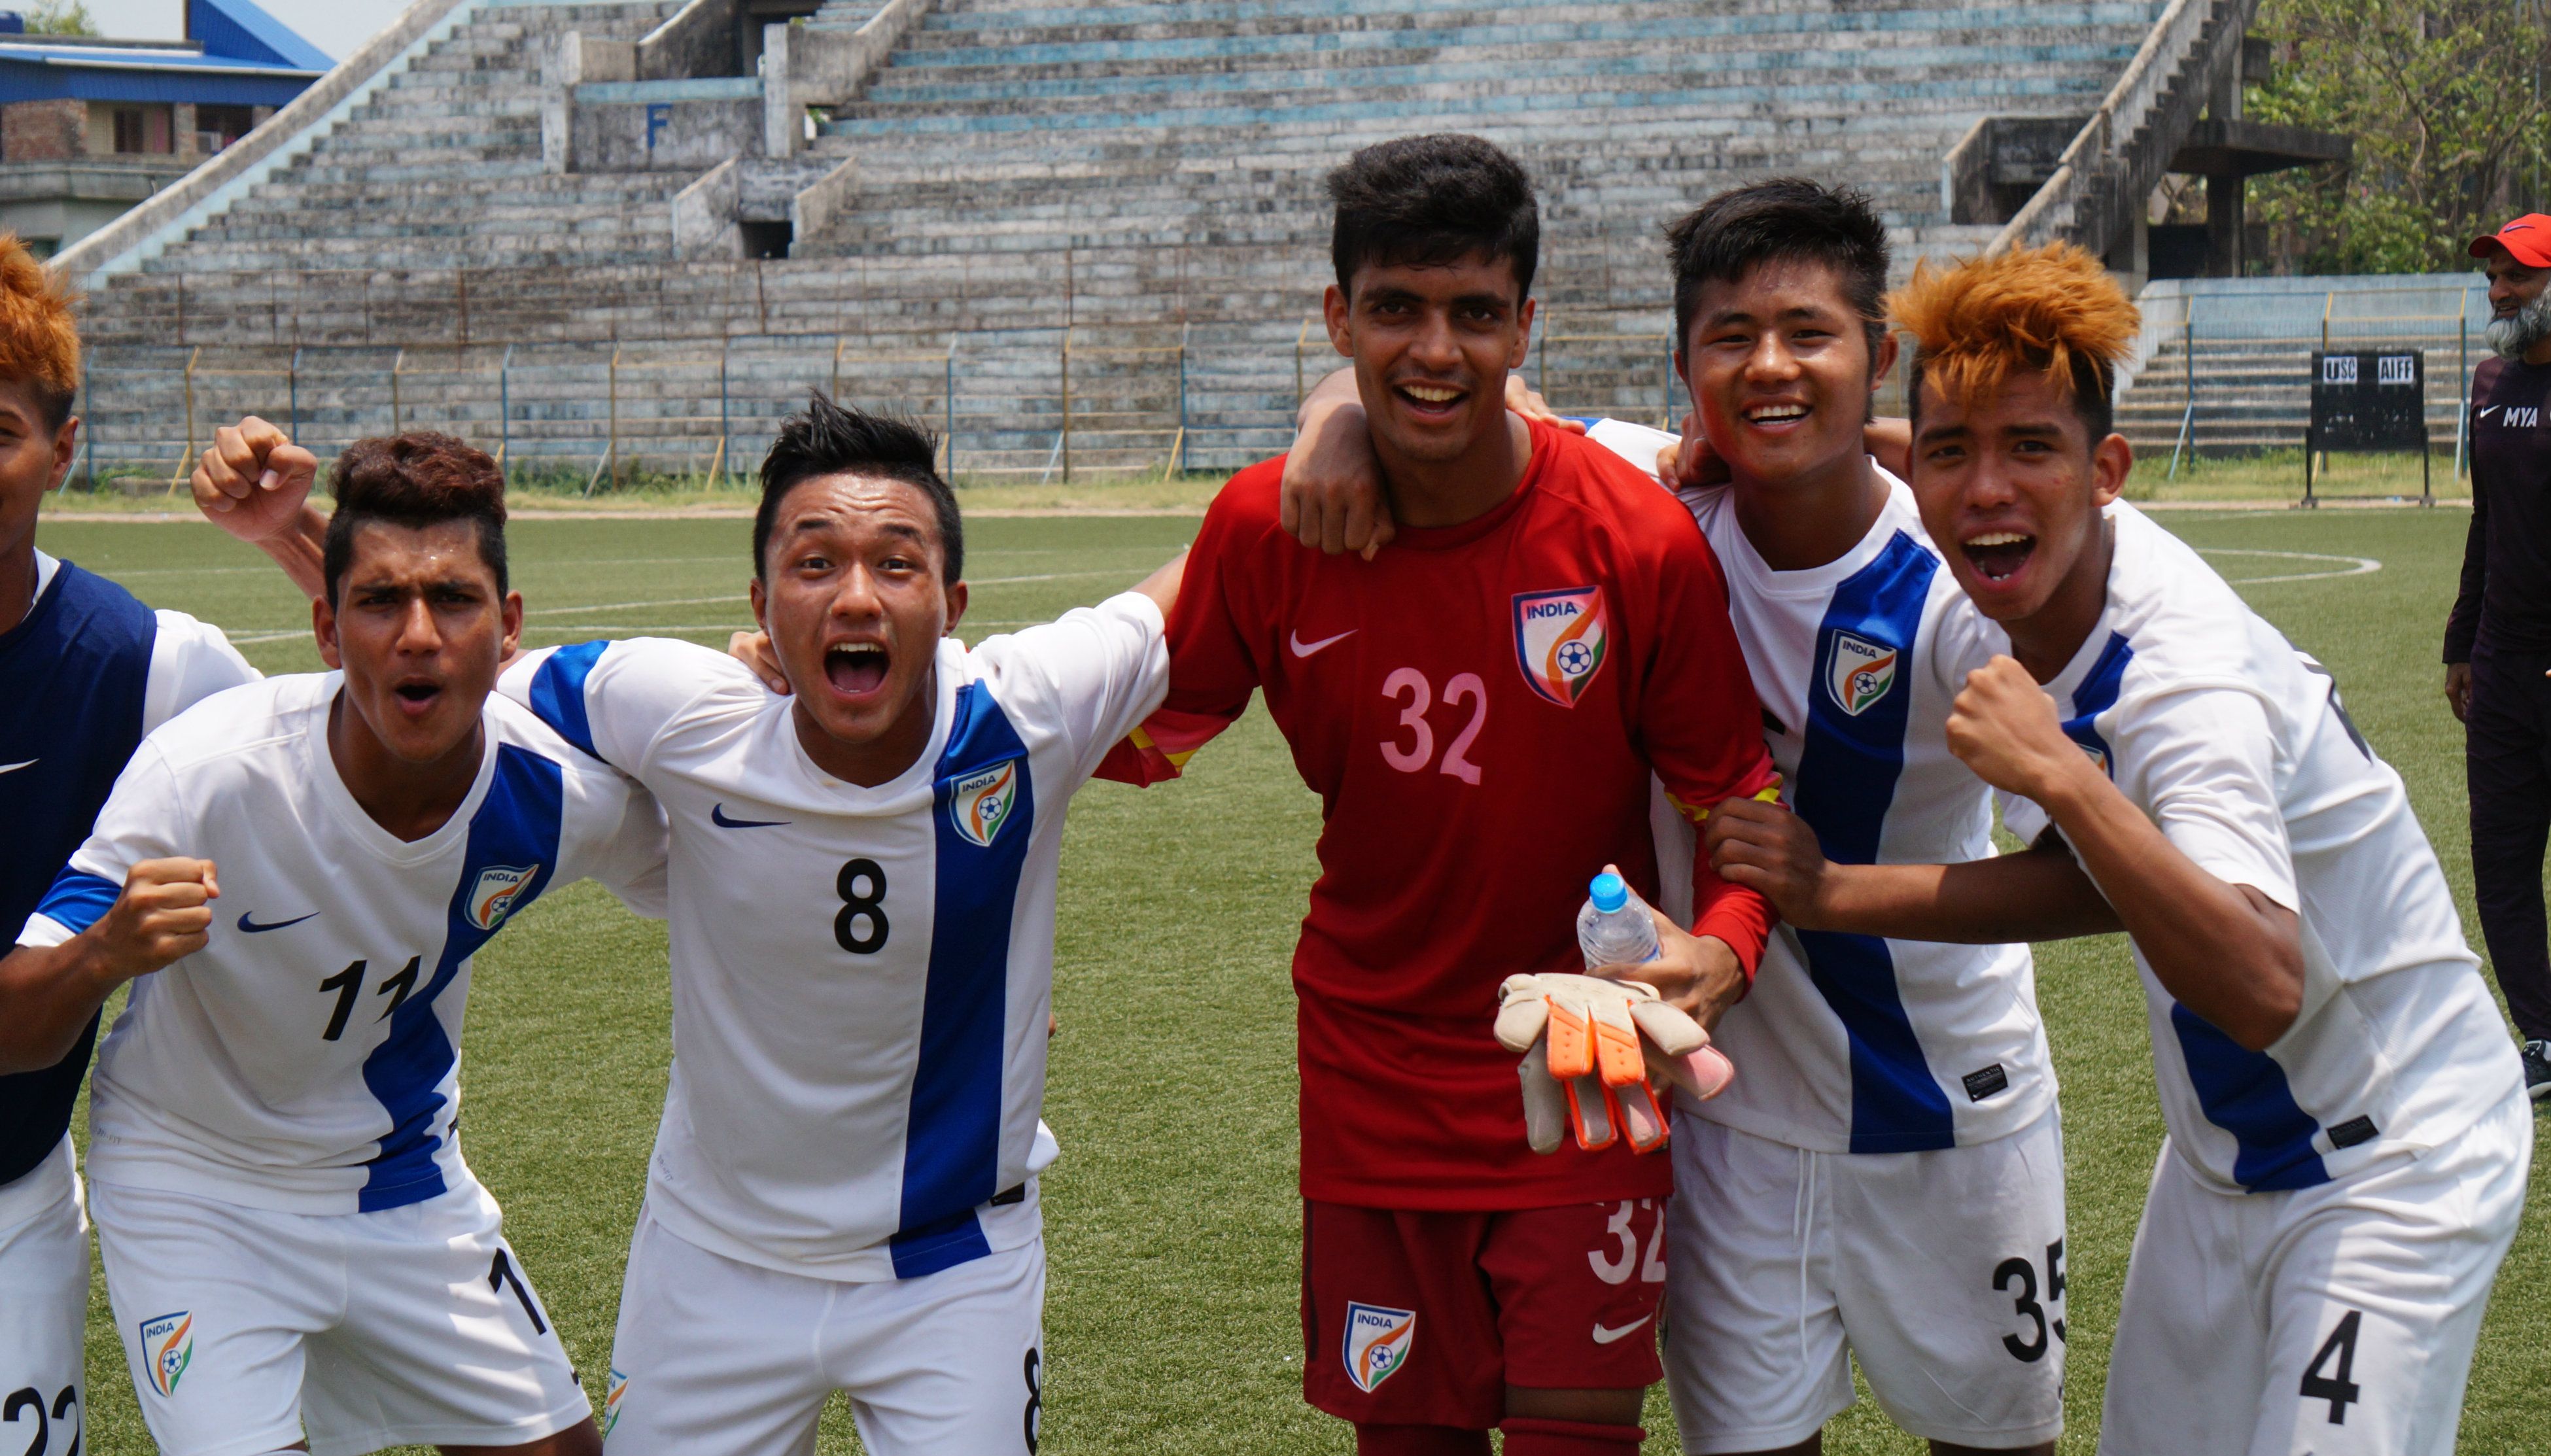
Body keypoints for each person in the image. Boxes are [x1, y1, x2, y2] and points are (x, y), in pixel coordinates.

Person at [197, 394, 1182, 1455]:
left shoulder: (1030, 708)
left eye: (897, 564)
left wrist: (1333, 427)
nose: (856, 595)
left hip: (950, 1265)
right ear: (761, 602)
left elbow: (1238, 549)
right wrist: (294, 538)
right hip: (716, 1263)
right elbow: (436, 675)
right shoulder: (679, 709)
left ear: (952, 604)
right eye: (814, 565)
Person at [1281, 179, 2078, 1456]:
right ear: (1684, 366)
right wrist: (1331, 420)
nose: (1770, 368)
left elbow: (2093, 868)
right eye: (1731, 339)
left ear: (1877, 359)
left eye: (1809, 334)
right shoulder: (1647, 511)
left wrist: (1832, 894)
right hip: (1726, 1119)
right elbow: (1457, 392)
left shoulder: (1959, 587)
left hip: (1949, 1108)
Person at [1751, 241, 2528, 1455]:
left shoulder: (2181, 681)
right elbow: (2107, 882)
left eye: (2032, 451)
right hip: (2227, 1162)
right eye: (1949, 453)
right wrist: (1832, 891)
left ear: (2106, 469)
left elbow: (2265, 985)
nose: (1985, 490)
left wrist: (2058, 768)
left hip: (2396, 1155)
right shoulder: (2037, 565)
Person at [1099, 133, 1779, 1456]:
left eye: (1475, 314)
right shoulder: (1264, 529)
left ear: (1526, 326)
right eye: (1398, 308)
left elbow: (1738, 805)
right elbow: (1118, 733)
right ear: (1337, 316)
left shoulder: (1631, 540)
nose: (1435, 350)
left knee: (1579, 1439)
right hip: (1372, 1076)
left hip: (1581, 1063)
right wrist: (876, 699)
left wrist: (1726, 951)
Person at [4, 434, 667, 1456]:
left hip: (401, 1180)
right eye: (379, 602)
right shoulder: (206, 774)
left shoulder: (555, 797)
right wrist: (102, 955)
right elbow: (14, 1022)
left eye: (454, 600)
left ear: (510, 630)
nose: (418, 635)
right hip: (198, 1186)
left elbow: (727, 865)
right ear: (325, 626)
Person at [0, 233, 260, 1451]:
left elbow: (360, 744)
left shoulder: (144, 661)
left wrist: (295, 530)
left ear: (62, 447)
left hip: (14, 1198)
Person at [2444, 211, 2551, 1100]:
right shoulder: (2488, 384)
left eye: (2517, 276)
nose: (2500, 292)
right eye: (2494, 277)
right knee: (2501, 859)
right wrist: (2460, 643)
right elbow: (2486, 524)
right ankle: (2545, 1035)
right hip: (2503, 666)